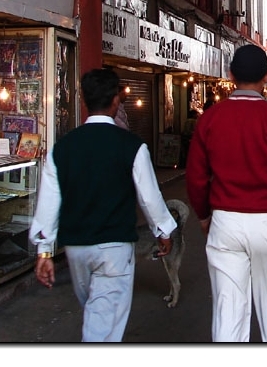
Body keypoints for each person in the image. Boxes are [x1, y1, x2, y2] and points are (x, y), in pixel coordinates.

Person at [29, 68, 177, 342]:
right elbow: (149, 197)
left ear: (84, 102)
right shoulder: (132, 146)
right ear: (116, 101)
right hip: (114, 248)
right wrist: (164, 231)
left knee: (96, 312)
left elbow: (49, 201)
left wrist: (44, 251)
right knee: (102, 325)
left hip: (77, 249)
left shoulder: (62, 149)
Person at [186, 44, 267, 342]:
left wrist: (204, 216)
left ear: (230, 75)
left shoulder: (210, 119)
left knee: (228, 310)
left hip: (225, 223)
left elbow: (196, 177)